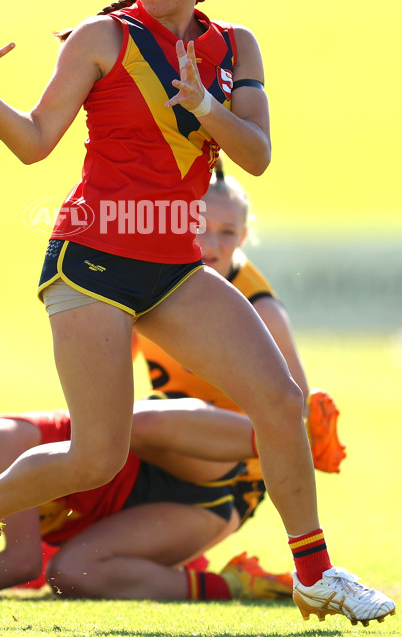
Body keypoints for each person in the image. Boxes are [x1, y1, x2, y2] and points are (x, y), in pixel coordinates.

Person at [0, 0, 394, 625]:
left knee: (281, 404)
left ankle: (314, 575)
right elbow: (34, 141)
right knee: (96, 457)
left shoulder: (236, 46)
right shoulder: (99, 37)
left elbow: (258, 156)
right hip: (89, 265)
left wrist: (205, 104)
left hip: (174, 268)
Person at [0, 397, 295, 604]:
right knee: (69, 572)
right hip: (195, 514)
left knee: (128, 420)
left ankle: (292, 432)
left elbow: (24, 560)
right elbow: (4, 567)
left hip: (188, 458)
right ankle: (240, 585)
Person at [131, 159, 347, 489]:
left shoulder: (263, 311)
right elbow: (106, 372)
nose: (212, 244)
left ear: (244, 236)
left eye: (227, 232)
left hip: (236, 475)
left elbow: (299, 410)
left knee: (137, 424)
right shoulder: (145, 280)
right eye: (200, 226)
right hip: (166, 446)